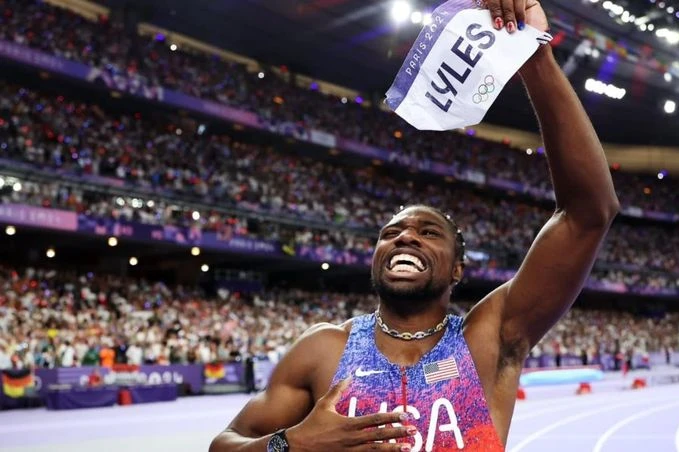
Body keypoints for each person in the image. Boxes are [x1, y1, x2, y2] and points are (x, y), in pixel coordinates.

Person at [210, 1, 619, 451]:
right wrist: (289, 445)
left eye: (429, 233)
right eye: (391, 233)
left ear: (457, 269)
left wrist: (535, 56)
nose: (405, 236)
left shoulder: (492, 336)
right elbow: (224, 444)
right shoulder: (323, 349)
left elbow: (588, 213)